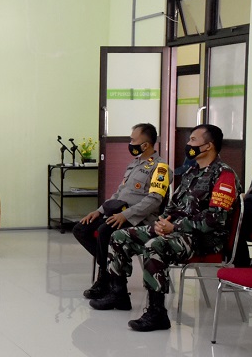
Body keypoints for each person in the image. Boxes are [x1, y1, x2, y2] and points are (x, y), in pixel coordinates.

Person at [90, 124, 241, 332]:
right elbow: (172, 205)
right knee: (119, 237)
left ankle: (157, 312)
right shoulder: (191, 172)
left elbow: (215, 219)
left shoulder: (224, 175)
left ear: (208, 146)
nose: (188, 144)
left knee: (155, 245)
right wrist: (161, 223)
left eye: (193, 140)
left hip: (205, 239)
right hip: (176, 231)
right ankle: (118, 294)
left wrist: (174, 226)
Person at [73, 123, 170, 299]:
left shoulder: (160, 168)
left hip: (139, 219)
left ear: (145, 145)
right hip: (118, 213)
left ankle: (105, 278)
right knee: (81, 228)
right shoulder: (134, 164)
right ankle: (111, 268)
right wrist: (100, 211)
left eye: (133, 140)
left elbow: (154, 200)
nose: (130, 144)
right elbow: (119, 192)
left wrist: (126, 215)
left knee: (104, 231)